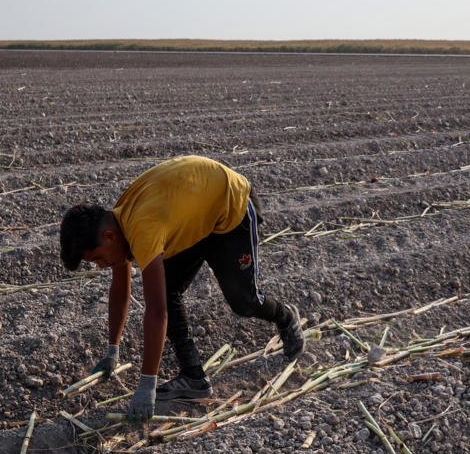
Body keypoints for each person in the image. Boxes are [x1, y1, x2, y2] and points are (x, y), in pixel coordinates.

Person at [58, 156, 303, 421]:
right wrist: (111, 351)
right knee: (167, 289)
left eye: (97, 259)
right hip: (195, 216)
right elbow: (120, 290)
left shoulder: (141, 228)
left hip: (230, 207)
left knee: (244, 302)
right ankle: (193, 378)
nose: (101, 266)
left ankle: (286, 318)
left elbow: (157, 312)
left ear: (108, 236)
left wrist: (146, 386)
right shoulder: (117, 223)